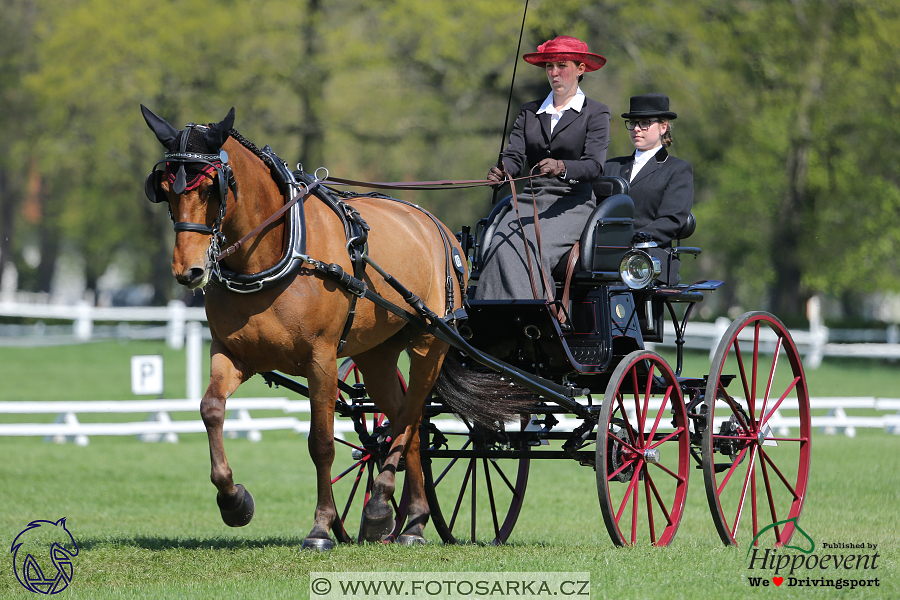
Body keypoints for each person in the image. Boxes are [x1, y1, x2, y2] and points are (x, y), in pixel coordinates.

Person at [474, 35, 610, 300]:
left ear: (580, 69)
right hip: (531, 199)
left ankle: (536, 316)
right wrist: (504, 172)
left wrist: (561, 167)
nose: (554, 73)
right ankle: (490, 318)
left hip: (572, 202)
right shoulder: (529, 111)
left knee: (532, 249)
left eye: (562, 65)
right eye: (550, 66)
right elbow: (514, 154)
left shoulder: (596, 113)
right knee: (499, 246)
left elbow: (594, 166)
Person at [600, 93, 693, 285]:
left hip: (649, 257)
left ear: (663, 127)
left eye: (644, 123)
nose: (636, 129)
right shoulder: (611, 167)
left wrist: (632, 240)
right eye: (633, 123)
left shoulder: (677, 169)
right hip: (605, 253)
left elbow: (672, 219)